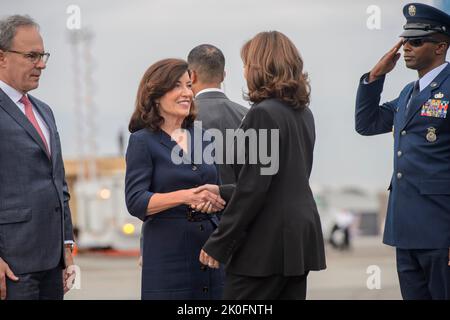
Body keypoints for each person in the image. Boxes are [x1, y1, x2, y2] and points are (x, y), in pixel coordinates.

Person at [198, 31, 326, 300]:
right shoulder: (303, 114)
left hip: (266, 246)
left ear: (259, 67)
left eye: (246, 64)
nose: (244, 71)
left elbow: (255, 188)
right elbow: (280, 181)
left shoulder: (263, 113)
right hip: (297, 241)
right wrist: (221, 191)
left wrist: (219, 243)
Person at [355, 3, 450, 300]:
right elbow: (367, 123)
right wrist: (375, 77)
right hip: (406, 231)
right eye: (405, 40)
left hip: (440, 231)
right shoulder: (409, 94)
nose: (407, 47)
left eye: (416, 41)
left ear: (440, 47)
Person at [125, 58, 226, 300]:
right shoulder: (142, 141)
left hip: (209, 250)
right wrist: (186, 197)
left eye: (189, 85)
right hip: (167, 253)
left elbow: (219, 189)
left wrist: (214, 201)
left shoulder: (204, 137)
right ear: (156, 95)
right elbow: (136, 201)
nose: (187, 93)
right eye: (177, 86)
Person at [0, 15, 75, 300]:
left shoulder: (44, 111)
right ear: (2, 57)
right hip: (12, 266)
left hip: (52, 264)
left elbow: (59, 182)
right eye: (31, 56)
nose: (41, 64)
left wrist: (66, 244)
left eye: (42, 55)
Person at [188, 44, 248, 184]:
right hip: (241, 203)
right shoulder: (248, 115)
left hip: (197, 202)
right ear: (223, 76)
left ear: (192, 76)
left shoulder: (182, 118)